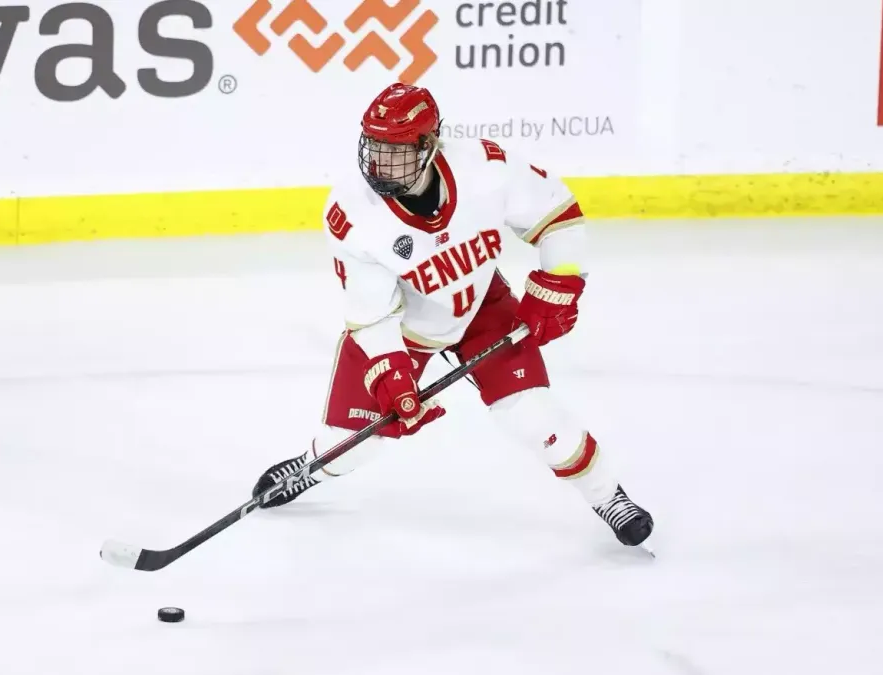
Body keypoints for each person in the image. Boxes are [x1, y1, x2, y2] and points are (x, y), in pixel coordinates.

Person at [251, 81, 654, 549]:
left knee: (536, 418)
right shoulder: (352, 211)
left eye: (396, 150)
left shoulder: (486, 168)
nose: (379, 163)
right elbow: (373, 315)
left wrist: (560, 283)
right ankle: (312, 466)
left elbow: (558, 216)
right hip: (402, 330)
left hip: (482, 306)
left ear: (429, 144)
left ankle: (607, 496)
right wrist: (393, 379)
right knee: (354, 446)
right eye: (374, 147)